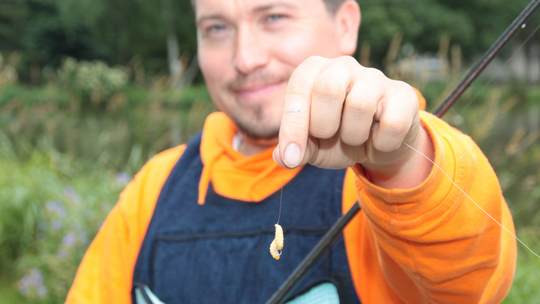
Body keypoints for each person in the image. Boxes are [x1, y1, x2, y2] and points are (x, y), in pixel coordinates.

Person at [67, 0, 517, 303]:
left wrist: (403, 161)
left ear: (345, 25)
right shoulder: (156, 185)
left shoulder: (395, 169)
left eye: (274, 17)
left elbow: (471, 284)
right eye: (217, 28)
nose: (245, 58)